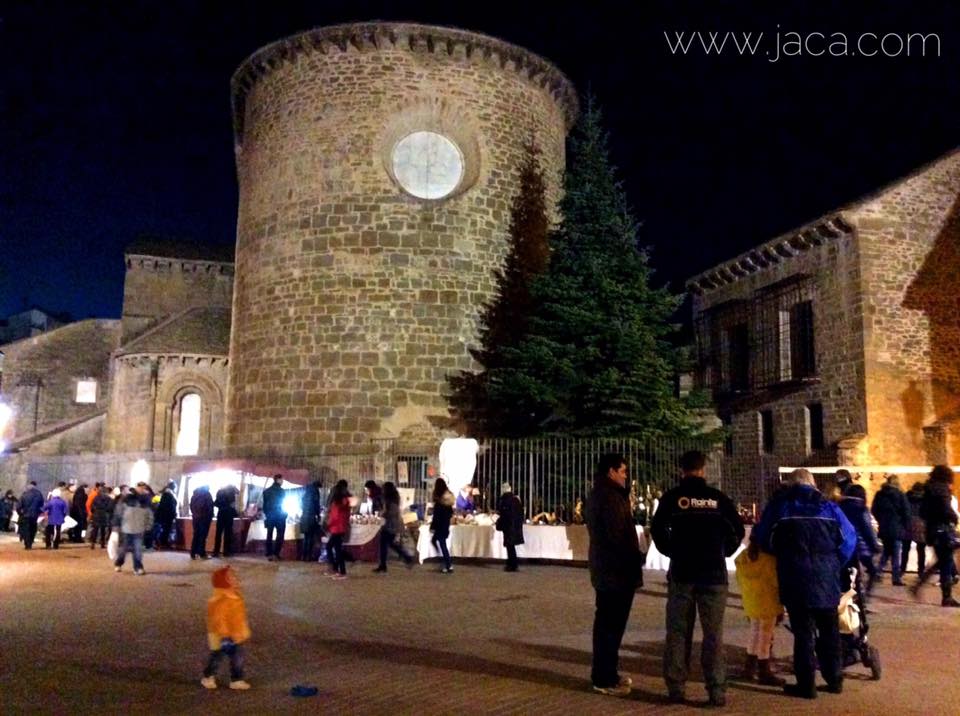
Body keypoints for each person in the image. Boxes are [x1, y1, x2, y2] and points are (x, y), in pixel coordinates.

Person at [752, 468, 856, 699]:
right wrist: (833, 562)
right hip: (826, 579)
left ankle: (806, 684)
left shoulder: (781, 507)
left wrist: (782, 553)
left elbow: (764, 538)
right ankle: (835, 679)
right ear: (813, 484)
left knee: (803, 633)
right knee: (829, 631)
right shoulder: (830, 508)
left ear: (792, 484)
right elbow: (849, 539)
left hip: (794, 576)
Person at [651, 450, 744, 707]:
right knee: (713, 634)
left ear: (682, 469)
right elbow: (737, 531)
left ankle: (676, 689)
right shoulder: (718, 499)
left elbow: (657, 531)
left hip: (682, 573)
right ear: (702, 469)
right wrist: (723, 552)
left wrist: (673, 551)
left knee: (678, 633)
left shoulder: (672, 499)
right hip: (713, 575)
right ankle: (716, 690)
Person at [585, 453, 644, 698]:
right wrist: (632, 558)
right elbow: (615, 536)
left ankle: (608, 672)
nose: (625, 475)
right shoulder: (608, 497)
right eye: (622, 471)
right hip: (615, 573)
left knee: (611, 626)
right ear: (611, 471)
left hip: (611, 571)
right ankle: (603, 677)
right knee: (610, 625)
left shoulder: (606, 494)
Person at [734, 541, 785, 686]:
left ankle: (749, 667)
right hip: (769, 601)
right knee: (765, 636)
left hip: (752, 602)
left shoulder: (743, 558)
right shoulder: (770, 560)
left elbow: (738, 579)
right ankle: (764, 670)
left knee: (754, 632)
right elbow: (777, 584)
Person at [910, 465, 960, 607]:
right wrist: (953, 518)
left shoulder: (928, 489)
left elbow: (923, 512)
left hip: (933, 530)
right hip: (943, 530)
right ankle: (946, 597)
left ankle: (918, 585)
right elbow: (946, 509)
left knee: (942, 561)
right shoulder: (942, 489)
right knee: (946, 561)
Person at [201, 566, 252, 690]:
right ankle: (208, 676)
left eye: (234, 576)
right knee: (217, 656)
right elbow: (219, 620)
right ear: (224, 582)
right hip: (222, 635)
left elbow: (238, 617)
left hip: (235, 634)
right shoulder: (221, 600)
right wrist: (224, 636)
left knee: (237, 658)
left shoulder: (235, 596)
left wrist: (242, 631)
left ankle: (237, 679)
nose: (235, 579)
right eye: (231, 577)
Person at [839, 483, 881, 593]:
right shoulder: (861, 508)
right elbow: (866, 529)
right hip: (859, 546)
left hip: (843, 546)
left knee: (848, 577)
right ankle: (863, 599)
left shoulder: (839, 507)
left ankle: (850, 598)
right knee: (871, 572)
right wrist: (874, 545)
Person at [871, 474, 911, 586]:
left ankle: (878, 572)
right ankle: (896, 578)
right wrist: (906, 526)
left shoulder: (880, 494)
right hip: (897, 528)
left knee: (887, 551)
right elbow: (906, 512)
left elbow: (874, 510)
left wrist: (881, 520)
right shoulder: (900, 495)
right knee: (896, 553)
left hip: (884, 527)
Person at [374, 481, 414, 572]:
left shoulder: (391, 501)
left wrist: (383, 514)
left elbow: (391, 513)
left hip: (390, 525)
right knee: (389, 544)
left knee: (385, 544)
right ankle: (405, 558)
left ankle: (406, 558)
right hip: (392, 525)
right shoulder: (393, 499)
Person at [114, 487, 154, 575]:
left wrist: (116, 526)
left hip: (129, 528)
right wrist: (148, 526)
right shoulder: (145, 504)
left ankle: (122, 564)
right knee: (135, 549)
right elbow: (150, 516)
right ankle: (137, 567)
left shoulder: (125, 502)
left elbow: (118, 514)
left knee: (127, 549)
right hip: (134, 529)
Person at [325, 479, 351, 580]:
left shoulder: (337, 503)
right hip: (341, 528)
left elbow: (334, 517)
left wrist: (328, 524)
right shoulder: (345, 502)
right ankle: (336, 569)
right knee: (335, 548)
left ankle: (340, 571)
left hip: (336, 528)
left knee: (334, 549)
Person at [496, 483, 524, 572]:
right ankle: (512, 563)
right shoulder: (516, 499)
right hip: (515, 525)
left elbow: (503, 514)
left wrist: (499, 523)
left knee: (509, 546)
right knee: (511, 546)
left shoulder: (504, 500)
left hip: (508, 526)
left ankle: (512, 564)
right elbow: (520, 513)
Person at [430, 477, 455, 574]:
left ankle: (448, 564)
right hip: (445, 525)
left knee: (441, 544)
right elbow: (450, 513)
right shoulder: (447, 502)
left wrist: (433, 526)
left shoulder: (438, 502)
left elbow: (436, 516)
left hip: (439, 526)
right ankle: (444, 562)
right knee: (438, 542)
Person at [901, 480, 927, 575]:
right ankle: (921, 571)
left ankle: (902, 569)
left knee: (905, 549)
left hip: (908, 524)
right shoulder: (925, 499)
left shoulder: (906, 497)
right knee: (921, 550)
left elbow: (903, 510)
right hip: (921, 525)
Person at [261, 475, 287, 561]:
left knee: (269, 534)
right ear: (278, 480)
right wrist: (285, 514)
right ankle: (276, 553)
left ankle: (269, 552)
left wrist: (268, 514)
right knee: (280, 535)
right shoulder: (282, 491)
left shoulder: (266, 491)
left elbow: (264, 506)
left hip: (270, 516)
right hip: (280, 516)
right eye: (282, 479)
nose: (283, 481)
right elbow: (283, 504)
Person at [212, 485, 239, 558]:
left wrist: (222, 506)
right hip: (229, 515)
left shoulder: (219, 492)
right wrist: (236, 513)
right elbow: (233, 505)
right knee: (228, 534)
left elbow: (216, 503)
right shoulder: (232, 494)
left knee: (218, 534)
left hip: (220, 514)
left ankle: (216, 552)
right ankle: (226, 552)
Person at [190, 485, 215, 560]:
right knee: (203, 536)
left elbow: (191, 506)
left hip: (195, 518)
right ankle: (201, 553)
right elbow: (210, 506)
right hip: (204, 518)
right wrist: (210, 516)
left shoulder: (194, 495)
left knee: (196, 535)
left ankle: (193, 553)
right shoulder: (207, 494)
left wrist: (195, 514)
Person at [300, 479, 322, 562]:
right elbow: (316, 505)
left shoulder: (306, 492)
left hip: (304, 516)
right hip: (311, 517)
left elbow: (302, 505)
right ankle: (308, 556)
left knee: (306, 537)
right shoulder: (315, 492)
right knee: (310, 537)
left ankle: (303, 556)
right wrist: (318, 515)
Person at [17, 482, 44, 549]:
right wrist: (39, 512)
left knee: (26, 529)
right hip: (35, 515)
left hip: (25, 515)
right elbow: (42, 504)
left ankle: (27, 544)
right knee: (33, 528)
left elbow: (19, 506)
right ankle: (31, 541)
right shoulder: (39, 494)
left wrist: (20, 513)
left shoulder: (24, 494)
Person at [155, 481, 178, 549]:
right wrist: (174, 514)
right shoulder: (168, 494)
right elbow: (170, 506)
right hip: (167, 516)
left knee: (165, 530)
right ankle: (163, 543)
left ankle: (163, 543)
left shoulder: (166, 494)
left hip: (165, 515)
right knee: (166, 530)